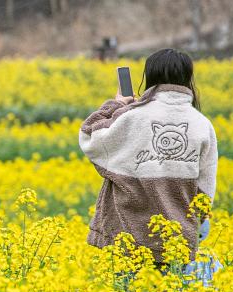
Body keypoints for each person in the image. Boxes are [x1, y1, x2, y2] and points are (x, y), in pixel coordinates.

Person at [79, 48, 217, 270]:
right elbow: (205, 193)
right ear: (188, 79)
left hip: (128, 238)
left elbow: (90, 137)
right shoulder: (203, 125)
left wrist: (117, 105)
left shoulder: (132, 117)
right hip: (177, 243)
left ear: (149, 77)